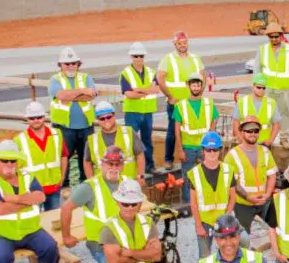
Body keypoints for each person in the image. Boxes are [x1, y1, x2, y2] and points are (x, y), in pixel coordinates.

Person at [60, 146, 128, 263]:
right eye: (110, 164)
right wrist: (66, 236)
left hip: (123, 242)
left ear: (123, 165)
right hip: (101, 245)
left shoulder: (127, 182)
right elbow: (66, 208)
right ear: (102, 164)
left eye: (117, 164)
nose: (114, 168)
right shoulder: (89, 187)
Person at [158, 31, 206, 173]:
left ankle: (196, 155)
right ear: (175, 44)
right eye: (179, 43)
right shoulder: (168, 59)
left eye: (184, 43)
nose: (182, 45)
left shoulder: (196, 58)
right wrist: (170, 96)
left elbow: (203, 76)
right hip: (176, 104)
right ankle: (168, 159)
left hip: (192, 103)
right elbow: (160, 78)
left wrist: (199, 94)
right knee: (173, 131)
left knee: (194, 129)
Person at [49, 47, 97, 187]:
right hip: (64, 127)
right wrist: (82, 91)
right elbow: (61, 95)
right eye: (67, 63)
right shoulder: (55, 80)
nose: (70, 66)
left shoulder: (86, 77)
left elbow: (91, 96)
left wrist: (69, 95)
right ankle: (64, 185)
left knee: (86, 158)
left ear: (78, 64)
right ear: (60, 65)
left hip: (86, 126)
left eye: (73, 63)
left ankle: (86, 185)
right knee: (64, 158)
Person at [187, 131, 237, 258]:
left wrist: (227, 217)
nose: (212, 153)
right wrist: (198, 226)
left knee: (230, 253)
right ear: (203, 151)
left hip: (223, 220)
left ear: (220, 150)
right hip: (204, 221)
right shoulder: (195, 173)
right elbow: (193, 203)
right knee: (204, 258)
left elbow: (232, 197)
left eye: (215, 150)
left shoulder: (228, 170)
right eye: (208, 150)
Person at [225, 120, 279, 232]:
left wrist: (267, 194)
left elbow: (272, 175)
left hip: (264, 202)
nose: (253, 134)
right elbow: (232, 182)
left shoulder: (265, 152)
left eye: (256, 131)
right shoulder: (232, 156)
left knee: (274, 232)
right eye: (249, 131)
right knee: (243, 237)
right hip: (243, 204)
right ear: (242, 133)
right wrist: (249, 198)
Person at [175, 73, 220, 202]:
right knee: (188, 176)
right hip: (188, 148)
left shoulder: (208, 103)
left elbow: (214, 119)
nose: (196, 88)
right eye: (194, 85)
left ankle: (207, 200)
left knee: (208, 174)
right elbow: (177, 129)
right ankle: (190, 203)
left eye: (198, 85)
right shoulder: (181, 105)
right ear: (188, 86)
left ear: (201, 87)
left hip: (205, 148)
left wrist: (210, 141)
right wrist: (180, 149)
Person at [15, 102, 67, 211]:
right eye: (32, 118)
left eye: (39, 117)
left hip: (54, 187)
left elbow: (64, 156)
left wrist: (62, 178)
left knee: (54, 220)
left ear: (44, 117)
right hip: (32, 190)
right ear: (27, 119)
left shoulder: (56, 134)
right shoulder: (19, 140)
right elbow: (15, 167)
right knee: (34, 221)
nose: (36, 120)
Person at [119, 42, 162, 175]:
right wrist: (147, 91)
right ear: (131, 57)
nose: (138, 59)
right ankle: (130, 169)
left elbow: (156, 89)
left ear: (144, 57)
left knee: (147, 140)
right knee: (130, 141)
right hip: (132, 112)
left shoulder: (150, 72)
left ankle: (150, 166)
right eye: (135, 56)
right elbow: (129, 94)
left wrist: (139, 90)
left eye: (140, 56)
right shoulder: (126, 73)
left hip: (147, 112)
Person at [84, 102, 145, 184]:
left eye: (109, 117)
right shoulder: (92, 139)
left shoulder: (128, 132)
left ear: (114, 116)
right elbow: (87, 162)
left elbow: (140, 155)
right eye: (102, 118)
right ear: (98, 120)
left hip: (128, 184)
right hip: (104, 186)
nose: (106, 120)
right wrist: (91, 182)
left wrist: (140, 176)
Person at [256, 23, 289, 131]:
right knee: (267, 112)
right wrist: (257, 86)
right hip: (268, 88)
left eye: (276, 36)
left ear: (281, 36)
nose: (274, 39)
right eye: (271, 37)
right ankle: (268, 136)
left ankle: (284, 137)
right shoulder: (262, 49)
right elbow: (257, 70)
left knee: (284, 113)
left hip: (284, 88)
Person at [236, 74, 281, 146]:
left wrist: (271, 140)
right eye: (259, 87)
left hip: (264, 143)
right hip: (246, 142)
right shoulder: (242, 101)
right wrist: (240, 138)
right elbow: (236, 121)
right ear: (253, 87)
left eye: (264, 88)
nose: (261, 90)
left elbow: (276, 124)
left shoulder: (271, 103)